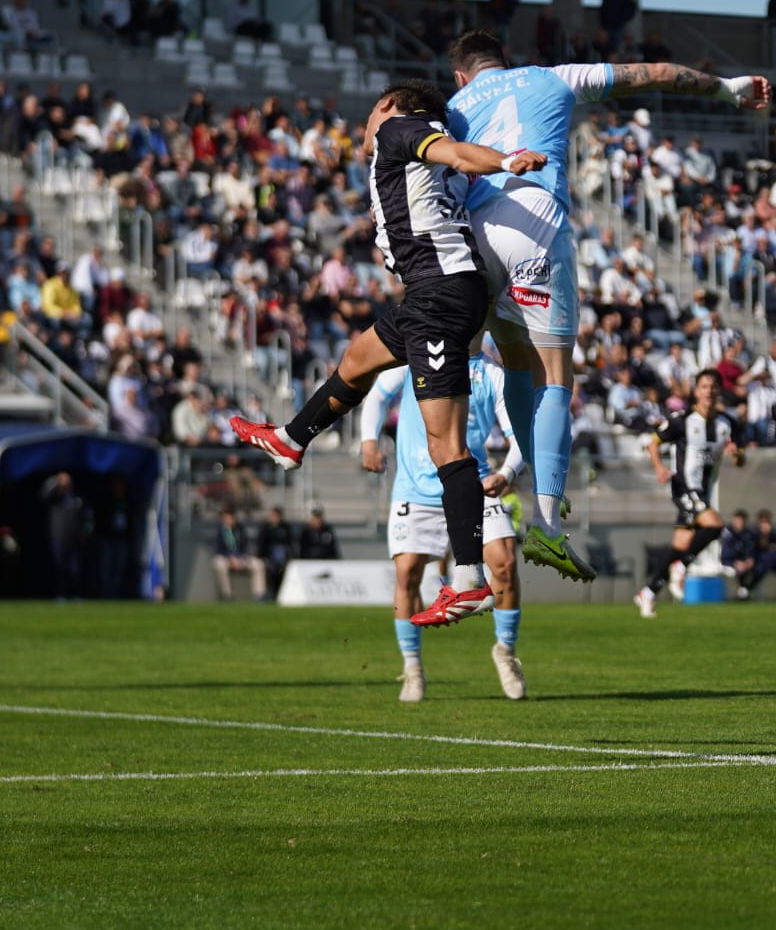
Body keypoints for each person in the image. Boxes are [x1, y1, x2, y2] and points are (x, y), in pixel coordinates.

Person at [441, 31, 769, 586]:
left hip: (472, 233)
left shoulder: (452, 109)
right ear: (504, 60)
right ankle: (545, 519)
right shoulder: (553, 77)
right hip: (534, 219)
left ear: (461, 75)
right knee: (553, 376)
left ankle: (486, 519)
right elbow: (656, 72)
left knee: (516, 364)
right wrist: (727, 90)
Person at [227, 80, 545, 628]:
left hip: (440, 297)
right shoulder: (411, 150)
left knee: (448, 446)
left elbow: (458, 154)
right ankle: (290, 439)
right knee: (356, 359)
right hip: (431, 294)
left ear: (389, 106)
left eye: (370, 112)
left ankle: (468, 579)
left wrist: (507, 160)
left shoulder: (403, 130)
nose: (367, 124)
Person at [361, 346, 527, 702]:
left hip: (474, 483)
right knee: (407, 574)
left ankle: (505, 651)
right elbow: (376, 396)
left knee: (505, 563)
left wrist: (506, 472)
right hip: (416, 489)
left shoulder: (491, 374)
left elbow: (520, 438)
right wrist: (369, 442)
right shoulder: (414, 355)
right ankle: (412, 668)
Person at [637, 370, 745, 619]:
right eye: (704, 386)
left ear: (718, 391)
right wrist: (659, 468)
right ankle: (682, 566)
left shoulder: (727, 424)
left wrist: (737, 456)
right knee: (716, 526)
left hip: (703, 492)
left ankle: (648, 592)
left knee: (679, 547)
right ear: (696, 391)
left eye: (713, 386)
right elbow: (653, 442)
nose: (709, 391)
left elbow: (740, 459)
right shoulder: (682, 420)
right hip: (684, 487)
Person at [40, 472, 88, 597]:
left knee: (75, 570)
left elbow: (86, 516)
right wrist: (55, 480)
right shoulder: (55, 497)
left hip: (75, 538)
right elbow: (44, 493)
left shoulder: (77, 497)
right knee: (59, 569)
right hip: (58, 537)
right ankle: (60, 595)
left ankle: (77, 595)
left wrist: (85, 532)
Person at [210, 508, 266, 601]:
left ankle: (259, 595)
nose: (228, 520)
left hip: (240, 558)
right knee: (219, 564)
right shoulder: (220, 531)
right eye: (225, 518)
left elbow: (244, 547)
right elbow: (218, 549)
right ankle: (227, 595)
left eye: (230, 518)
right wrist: (230, 558)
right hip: (226, 559)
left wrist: (239, 559)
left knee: (259, 564)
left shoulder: (240, 529)